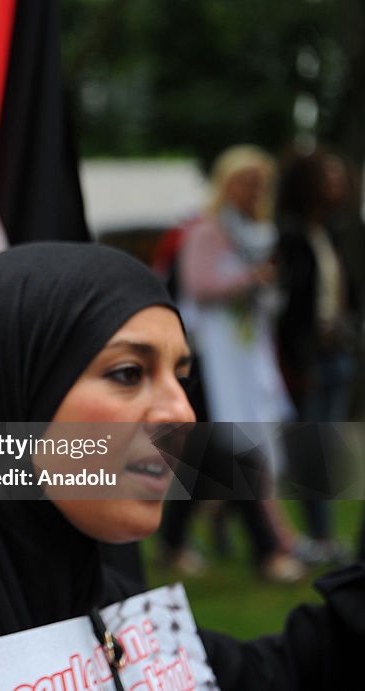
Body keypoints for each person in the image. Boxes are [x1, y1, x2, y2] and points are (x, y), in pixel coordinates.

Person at [0, 242, 364, 688]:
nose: (181, 412)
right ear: (7, 401)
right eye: (128, 373)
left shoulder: (112, 609)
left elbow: (283, 673)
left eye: (182, 377)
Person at [171, 144, 304, 582]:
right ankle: (269, 550)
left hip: (245, 363)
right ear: (226, 183)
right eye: (245, 180)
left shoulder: (258, 233)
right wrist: (252, 279)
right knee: (236, 452)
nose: (253, 189)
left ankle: (175, 541)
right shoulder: (207, 232)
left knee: (207, 455)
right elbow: (197, 286)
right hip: (212, 364)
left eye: (260, 182)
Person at [276, 148, 360, 565]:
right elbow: (288, 309)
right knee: (309, 449)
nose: (337, 185)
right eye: (328, 177)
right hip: (308, 361)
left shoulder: (331, 232)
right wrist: (299, 362)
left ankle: (228, 513)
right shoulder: (292, 237)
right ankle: (320, 536)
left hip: (335, 354)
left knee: (324, 447)